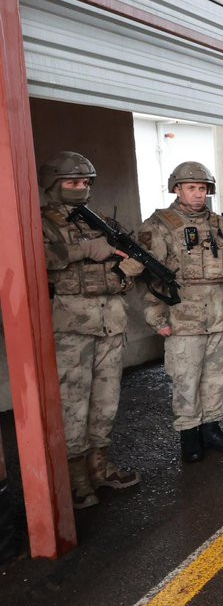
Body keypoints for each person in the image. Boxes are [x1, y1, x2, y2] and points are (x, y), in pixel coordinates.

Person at [39, 152, 140, 508]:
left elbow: (130, 262)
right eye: (72, 182)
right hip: (72, 327)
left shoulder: (102, 222)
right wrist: (84, 250)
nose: (81, 188)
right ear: (53, 183)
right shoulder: (40, 223)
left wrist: (127, 273)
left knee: (106, 401)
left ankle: (99, 467)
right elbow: (36, 258)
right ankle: (75, 479)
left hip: (110, 322)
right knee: (73, 403)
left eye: (85, 182)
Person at [137, 162, 223, 462]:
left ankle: (211, 428)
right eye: (191, 188)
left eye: (203, 189)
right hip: (182, 319)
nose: (199, 194)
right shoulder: (159, 225)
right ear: (177, 189)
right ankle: (189, 434)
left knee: (216, 377)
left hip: (219, 315)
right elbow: (150, 278)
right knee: (186, 379)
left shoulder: (220, 225)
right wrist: (156, 318)